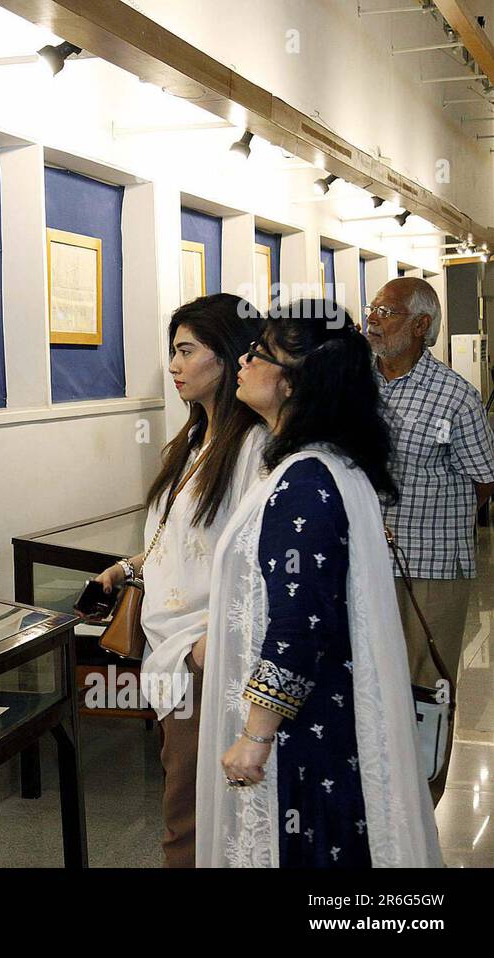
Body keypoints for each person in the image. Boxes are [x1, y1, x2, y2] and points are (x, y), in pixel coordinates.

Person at [197, 299, 442, 868]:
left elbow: (299, 622)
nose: (243, 363)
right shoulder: (324, 463)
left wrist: (257, 734)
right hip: (327, 711)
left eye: (258, 355)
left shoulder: (305, 482)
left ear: (292, 384)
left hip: (303, 730)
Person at [95, 294, 267, 867]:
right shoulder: (193, 442)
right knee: (185, 800)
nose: (174, 366)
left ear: (226, 356)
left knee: (188, 815)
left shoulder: (252, 448)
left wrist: (208, 642)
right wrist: (131, 567)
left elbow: (254, 559)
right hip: (172, 648)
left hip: (206, 651)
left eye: (185, 351)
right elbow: (178, 539)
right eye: (173, 351)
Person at [365, 278, 494, 804]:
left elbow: (484, 477)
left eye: (387, 311)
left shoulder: (455, 396)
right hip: (366, 563)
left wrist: (434, 517)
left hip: (433, 566)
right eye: (372, 308)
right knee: (373, 679)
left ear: (421, 326)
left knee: (427, 689)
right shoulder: (355, 386)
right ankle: (375, 798)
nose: (373, 318)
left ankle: (422, 802)